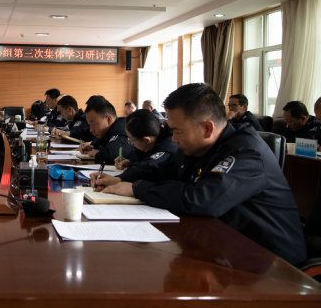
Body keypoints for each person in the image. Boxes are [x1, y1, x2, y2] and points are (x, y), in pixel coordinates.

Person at [101, 83, 306, 265]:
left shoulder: (247, 153)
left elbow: (200, 199)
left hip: (272, 265)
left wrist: (137, 188)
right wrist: (121, 179)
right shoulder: (201, 147)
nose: (173, 139)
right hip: (224, 247)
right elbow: (165, 169)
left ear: (207, 128)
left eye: (177, 131)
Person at [91, 109, 177, 185]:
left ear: (147, 140)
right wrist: (130, 162)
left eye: (131, 140)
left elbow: (149, 167)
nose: (131, 144)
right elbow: (138, 154)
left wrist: (119, 179)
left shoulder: (169, 145)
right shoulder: (153, 139)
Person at [79, 96, 132, 165]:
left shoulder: (123, 129)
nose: (91, 130)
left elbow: (112, 155)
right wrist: (91, 147)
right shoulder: (106, 131)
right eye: (89, 125)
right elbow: (99, 144)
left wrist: (98, 153)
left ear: (109, 119)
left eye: (93, 124)